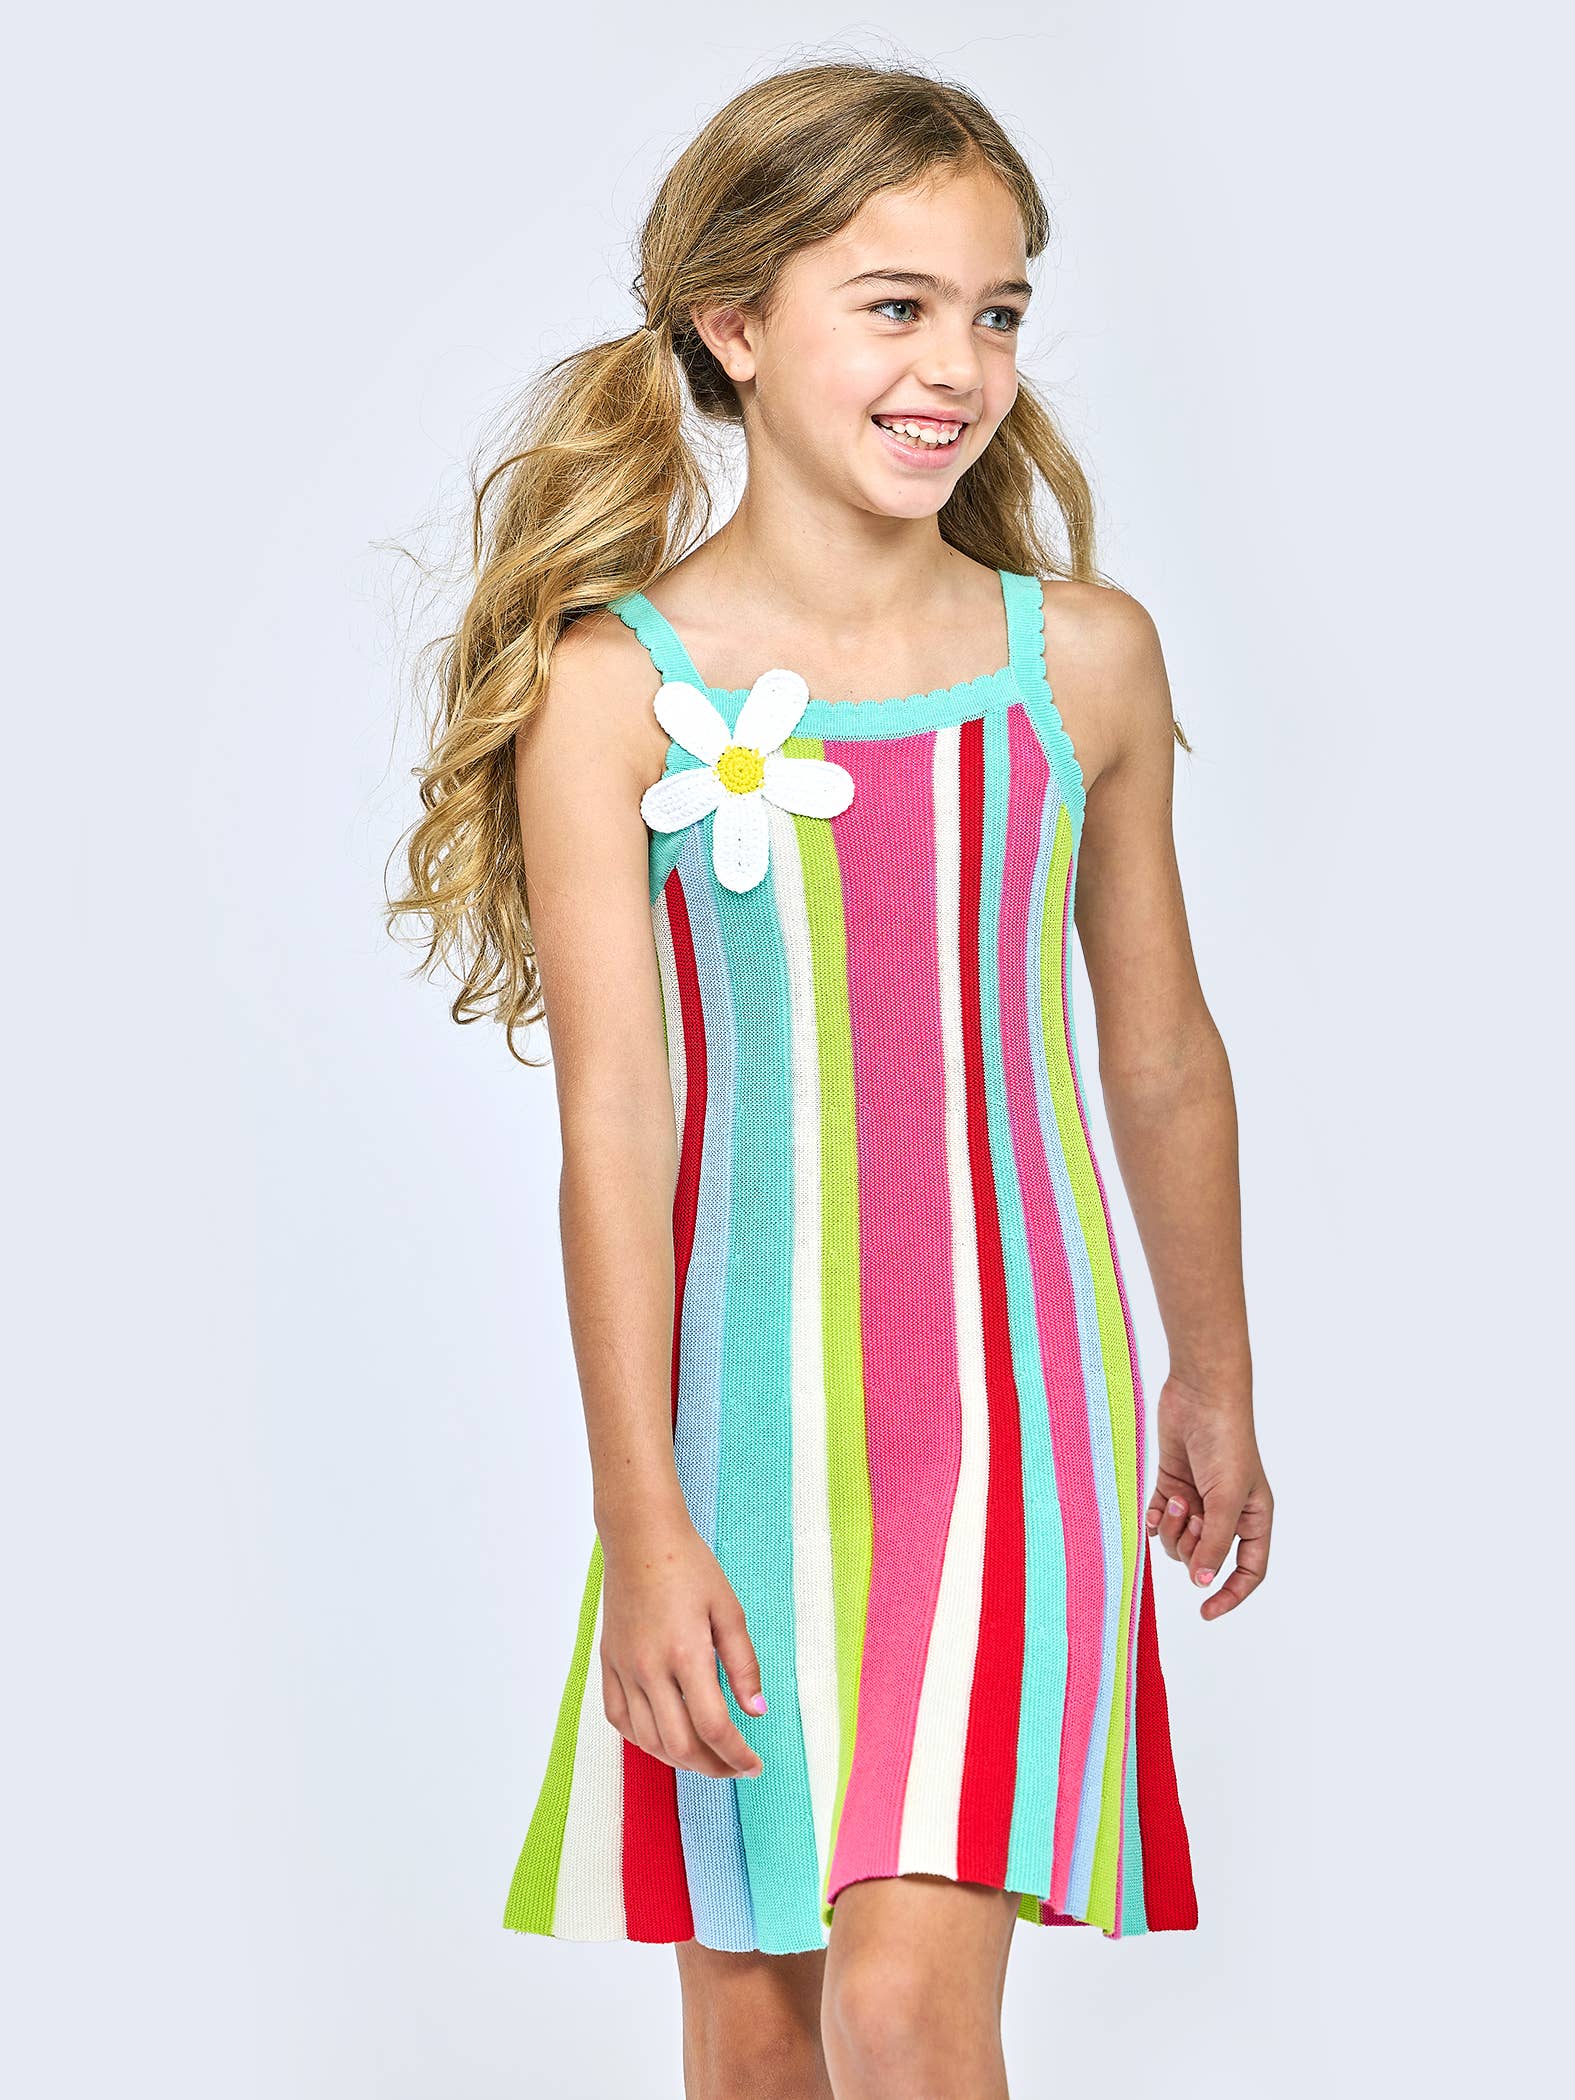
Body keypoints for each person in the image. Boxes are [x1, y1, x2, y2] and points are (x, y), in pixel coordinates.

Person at [389, 56, 1273, 2100]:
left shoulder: (1080, 661)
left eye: (995, 310)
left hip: (1018, 1413)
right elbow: (615, 1121)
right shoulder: (616, 690)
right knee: (759, 2026)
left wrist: (1211, 1371)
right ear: (731, 322)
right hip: (736, 1434)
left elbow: (1158, 1051)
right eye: (895, 305)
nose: (956, 364)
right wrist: (642, 1516)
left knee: (903, 2005)